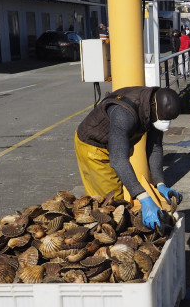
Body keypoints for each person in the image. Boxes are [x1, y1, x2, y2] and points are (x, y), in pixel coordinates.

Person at [74, 86, 183, 230]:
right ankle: (104, 242)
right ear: (153, 106)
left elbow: (155, 147)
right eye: (162, 119)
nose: (166, 123)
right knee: (109, 205)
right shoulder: (124, 113)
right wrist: (144, 198)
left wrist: (160, 183)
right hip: (95, 148)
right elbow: (118, 160)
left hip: (116, 144)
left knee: (120, 200)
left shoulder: (154, 108)